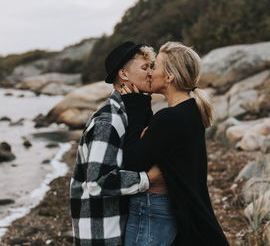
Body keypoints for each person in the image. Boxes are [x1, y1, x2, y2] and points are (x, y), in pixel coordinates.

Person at [120, 42, 229, 245]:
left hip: (169, 218)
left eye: (155, 66)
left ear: (169, 76)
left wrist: (134, 108)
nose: (150, 72)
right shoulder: (190, 110)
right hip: (192, 217)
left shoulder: (170, 118)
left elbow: (129, 163)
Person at [70, 41, 162, 246]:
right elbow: (97, 182)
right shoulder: (108, 121)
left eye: (151, 67)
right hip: (101, 235)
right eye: (145, 67)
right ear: (124, 74)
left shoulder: (126, 113)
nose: (150, 73)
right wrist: (148, 178)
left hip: (115, 229)